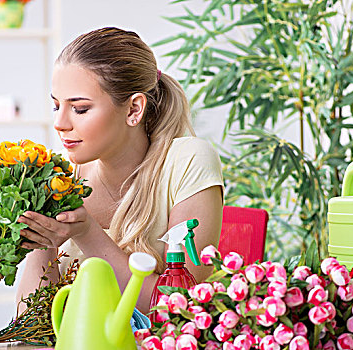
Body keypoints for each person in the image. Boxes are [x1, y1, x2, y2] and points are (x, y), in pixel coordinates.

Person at [15, 27, 224, 314]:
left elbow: (180, 310)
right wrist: (42, 240)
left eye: (80, 108)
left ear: (133, 110)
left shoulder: (187, 160)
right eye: (56, 106)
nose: (60, 123)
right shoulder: (65, 178)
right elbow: (29, 323)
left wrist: (87, 232)